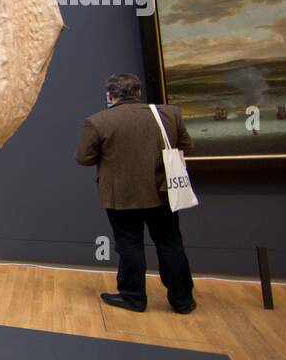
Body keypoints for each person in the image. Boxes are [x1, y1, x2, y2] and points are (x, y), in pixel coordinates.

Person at [75, 73, 196, 314]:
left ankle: (133, 296)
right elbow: (187, 146)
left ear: (110, 96)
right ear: (138, 93)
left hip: (121, 195)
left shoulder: (97, 122)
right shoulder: (169, 114)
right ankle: (182, 300)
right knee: (171, 243)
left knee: (129, 245)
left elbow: (84, 158)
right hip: (162, 192)